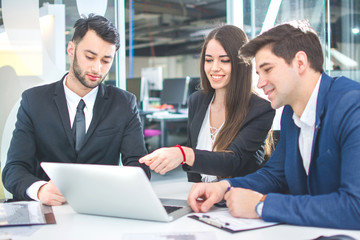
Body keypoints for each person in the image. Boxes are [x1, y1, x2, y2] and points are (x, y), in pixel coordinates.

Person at [187, 20, 360, 230]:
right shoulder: (291, 113)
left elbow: (355, 207)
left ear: (300, 62)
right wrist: (224, 187)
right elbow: (274, 174)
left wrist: (262, 206)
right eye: (259, 74)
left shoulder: (352, 107)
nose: (260, 83)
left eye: (268, 69)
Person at [2, 14, 150, 205]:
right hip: (49, 210)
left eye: (106, 60)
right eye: (90, 57)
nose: (97, 68)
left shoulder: (124, 103)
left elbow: (139, 168)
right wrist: (40, 189)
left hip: (101, 208)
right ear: (71, 49)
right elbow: (14, 168)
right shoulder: (34, 101)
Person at [139, 25, 275, 182]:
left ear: (241, 64)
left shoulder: (260, 110)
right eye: (208, 60)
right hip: (203, 198)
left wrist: (183, 154)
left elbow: (233, 162)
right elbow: (194, 168)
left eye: (224, 60)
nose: (214, 68)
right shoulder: (197, 100)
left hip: (237, 198)